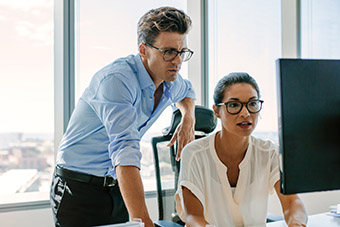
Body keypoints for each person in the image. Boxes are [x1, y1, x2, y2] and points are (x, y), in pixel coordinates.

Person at [50, 6, 196, 227]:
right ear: (143, 50)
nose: (177, 61)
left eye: (181, 52)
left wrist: (188, 118)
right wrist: (144, 221)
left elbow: (187, 92)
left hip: (116, 187)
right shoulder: (117, 80)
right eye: (168, 52)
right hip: (77, 187)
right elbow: (125, 149)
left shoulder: (169, 80)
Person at [175, 72, 308, 227]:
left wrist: (296, 223)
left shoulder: (269, 152)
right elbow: (193, 218)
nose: (245, 113)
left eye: (252, 104)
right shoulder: (194, 154)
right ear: (217, 111)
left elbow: (292, 202)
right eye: (234, 105)